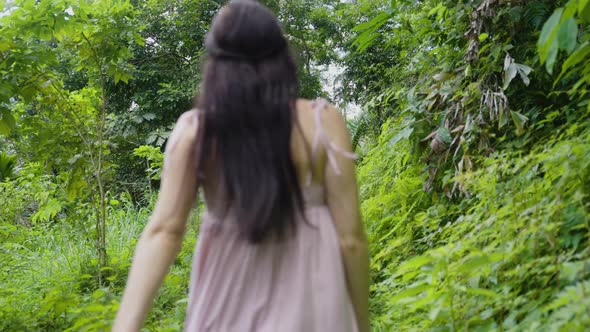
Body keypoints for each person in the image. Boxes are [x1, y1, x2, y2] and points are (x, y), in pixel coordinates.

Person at [112, 1, 369, 331]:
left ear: (215, 62)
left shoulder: (197, 131)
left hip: (225, 308)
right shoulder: (323, 122)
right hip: (314, 309)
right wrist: (362, 322)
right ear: (281, 57)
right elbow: (351, 239)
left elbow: (165, 231)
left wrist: (125, 326)